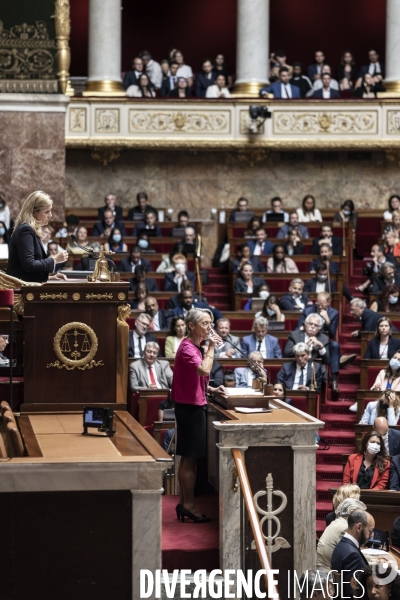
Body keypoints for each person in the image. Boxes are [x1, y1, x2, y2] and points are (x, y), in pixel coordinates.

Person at [172, 308, 226, 523]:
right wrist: (212, 347)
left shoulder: (195, 346)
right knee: (189, 459)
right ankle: (189, 505)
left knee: (188, 458)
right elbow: (203, 370)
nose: (209, 327)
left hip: (192, 404)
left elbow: (194, 378)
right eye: (205, 323)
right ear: (191, 326)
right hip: (189, 408)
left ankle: (185, 502)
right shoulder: (187, 348)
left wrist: (211, 390)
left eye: (210, 323)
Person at [7, 191, 68, 283]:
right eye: (47, 212)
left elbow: (27, 270)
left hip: (26, 285)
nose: (50, 215)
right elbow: (29, 265)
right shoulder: (26, 230)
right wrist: (54, 259)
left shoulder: (30, 229)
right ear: (34, 212)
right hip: (21, 290)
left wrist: (48, 277)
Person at [316, 497, 367, 573]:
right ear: (351, 512)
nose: (364, 518)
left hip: (322, 569)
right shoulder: (345, 528)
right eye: (361, 514)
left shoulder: (336, 522)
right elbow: (347, 556)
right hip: (328, 575)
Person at [330, 510, 373, 599]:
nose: (371, 535)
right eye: (370, 531)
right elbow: (354, 593)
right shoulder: (353, 555)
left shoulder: (340, 546)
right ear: (359, 527)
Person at [284, 313, 334, 387]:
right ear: (305, 324)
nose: (313, 326)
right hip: (297, 364)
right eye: (310, 324)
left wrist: (321, 347)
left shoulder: (324, 338)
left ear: (319, 328)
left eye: (316, 325)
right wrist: (304, 346)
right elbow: (287, 353)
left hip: (314, 369)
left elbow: (327, 361)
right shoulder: (295, 335)